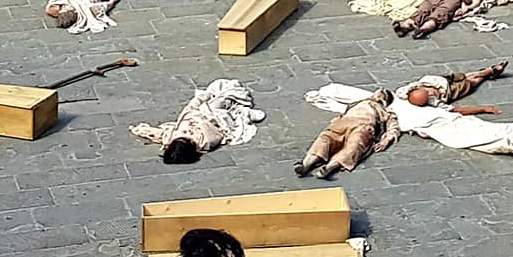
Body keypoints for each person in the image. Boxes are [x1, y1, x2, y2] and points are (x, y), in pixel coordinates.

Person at [130, 80, 265, 164]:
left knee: (211, 95)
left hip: (197, 113)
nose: (184, 134)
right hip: (214, 119)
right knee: (219, 103)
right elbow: (217, 131)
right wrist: (204, 117)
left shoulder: (172, 136)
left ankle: (218, 98)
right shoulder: (206, 141)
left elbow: (187, 113)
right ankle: (246, 112)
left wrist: (199, 101)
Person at [295, 89, 400, 178]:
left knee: (354, 146)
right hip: (344, 122)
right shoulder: (358, 103)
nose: (379, 92)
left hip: (363, 126)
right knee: (325, 138)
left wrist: (386, 140)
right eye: (379, 91)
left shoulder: (386, 111)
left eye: (382, 93)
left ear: (385, 100)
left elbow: (393, 128)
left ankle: (329, 167)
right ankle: (305, 165)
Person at [395, 61, 509, 114]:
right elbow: (455, 110)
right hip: (449, 91)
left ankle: (486, 71)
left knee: (464, 76)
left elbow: (395, 94)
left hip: (439, 80)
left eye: (428, 92)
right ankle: (489, 72)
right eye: (429, 97)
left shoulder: (404, 91)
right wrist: (484, 109)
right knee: (470, 83)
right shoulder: (434, 102)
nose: (431, 94)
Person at [392, 0, 481, 39]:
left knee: (441, 12)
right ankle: (407, 24)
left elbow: (476, 1)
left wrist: (468, 7)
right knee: (426, 6)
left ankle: (424, 28)